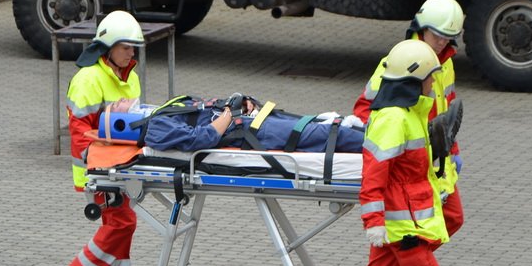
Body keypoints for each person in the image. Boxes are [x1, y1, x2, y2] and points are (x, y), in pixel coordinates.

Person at [343, 39, 471, 266]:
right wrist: (374, 224)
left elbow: (412, 173)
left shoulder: (410, 113)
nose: (434, 85)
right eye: (429, 79)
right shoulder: (394, 119)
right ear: (413, 80)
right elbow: (374, 176)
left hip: (401, 224)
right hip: (402, 227)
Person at [351, 0, 466, 266]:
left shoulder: (444, 63)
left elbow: (447, 108)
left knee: (451, 220)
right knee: (405, 250)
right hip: (409, 167)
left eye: (447, 39)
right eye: (436, 36)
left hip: (434, 163)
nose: (441, 44)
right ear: (420, 28)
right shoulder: (399, 61)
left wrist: (453, 151)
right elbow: (364, 110)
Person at [61, 11, 147, 266]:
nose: (131, 52)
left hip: (120, 164)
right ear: (109, 47)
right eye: (126, 47)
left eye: (133, 47)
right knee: (123, 222)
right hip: (97, 167)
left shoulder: (130, 78)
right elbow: (79, 132)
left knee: (120, 222)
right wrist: (100, 163)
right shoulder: (88, 79)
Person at [139, 95, 365, 153]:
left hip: (250, 121)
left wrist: (240, 102)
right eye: (114, 106)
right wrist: (229, 113)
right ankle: (388, 147)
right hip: (247, 133)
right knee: (326, 134)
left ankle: (370, 134)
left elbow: (207, 108)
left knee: (324, 123)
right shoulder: (156, 128)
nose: (122, 100)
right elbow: (201, 138)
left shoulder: (168, 106)